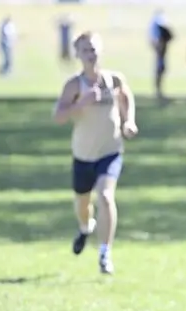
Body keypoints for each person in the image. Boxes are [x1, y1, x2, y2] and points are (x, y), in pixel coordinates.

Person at [52, 32, 138, 275]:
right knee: (82, 205)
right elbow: (58, 117)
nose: (90, 54)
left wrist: (129, 121)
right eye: (85, 50)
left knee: (106, 196)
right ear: (78, 54)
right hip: (83, 155)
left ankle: (105, 253)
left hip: (110, 151)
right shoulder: (74, 85)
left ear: (101, 51)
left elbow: (126, 96)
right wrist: (81, 103)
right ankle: (85, 227)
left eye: (93, 49)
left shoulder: (113, 79)